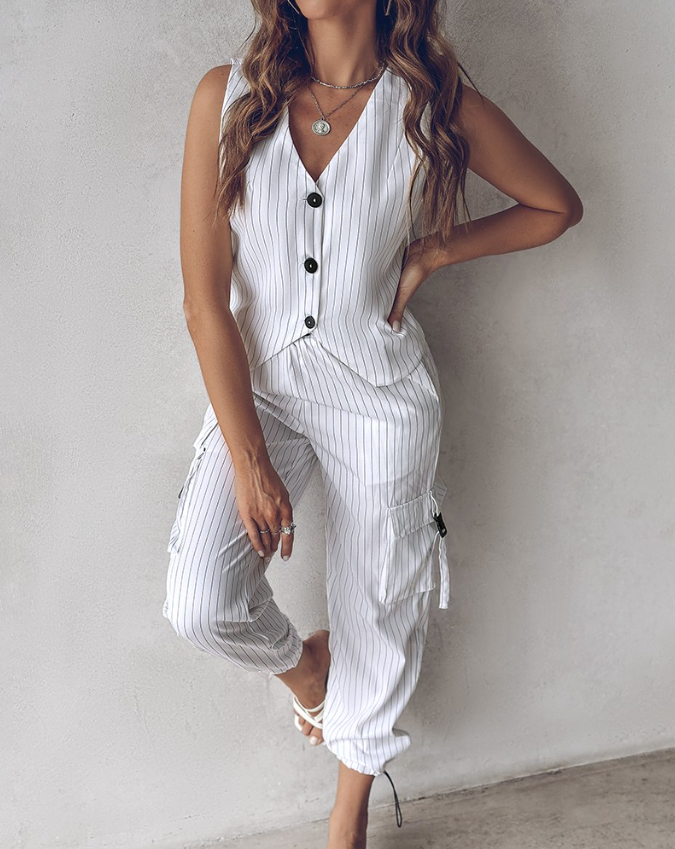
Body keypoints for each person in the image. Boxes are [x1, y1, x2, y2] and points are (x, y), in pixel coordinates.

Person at [162, 1, 583, 846]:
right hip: (261, 391)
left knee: (379, 605)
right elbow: (204, 303)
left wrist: (435, 249)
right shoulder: (228, 96)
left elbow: (553, 206)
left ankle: (347, 814)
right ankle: (307, 670)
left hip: (380, 397)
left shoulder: (431, 104)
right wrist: (247, 458)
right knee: (201, 601)